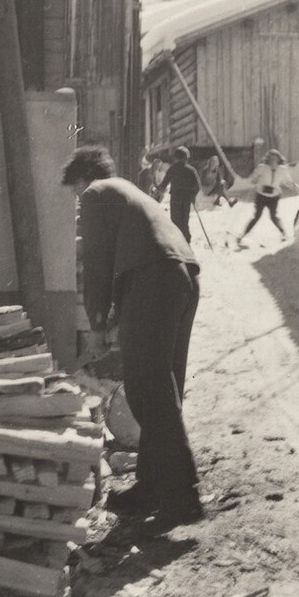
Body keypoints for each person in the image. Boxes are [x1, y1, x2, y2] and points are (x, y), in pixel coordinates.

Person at [62, 145, 203, 527]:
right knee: (161, 385)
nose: (77, 200)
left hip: (154, 278)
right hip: (183, 276)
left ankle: (182, 496)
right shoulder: (127, 191)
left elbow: (97, 262)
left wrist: (95, 324)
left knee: (148, 388)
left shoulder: (97, 194)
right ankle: (152, 486)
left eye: (75, 190)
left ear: (83, 178)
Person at [237, 148, 299, 244]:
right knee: (256, 216)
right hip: (261, 196)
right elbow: (252, 178)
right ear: (268, 159)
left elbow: (288, 181)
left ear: (279, 159)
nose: (273, 161)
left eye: (275, 159)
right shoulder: (262, 168)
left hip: (274, 196)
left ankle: (283, 234)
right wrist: (254, 180)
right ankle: (242, 235)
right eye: (271, 159)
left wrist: (294, 186)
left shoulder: (282, 169)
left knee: (273, 217)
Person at [156, 146, 201, 243]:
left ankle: (178, 243)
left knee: (176, 222)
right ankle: (187, 241)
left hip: (175, 198)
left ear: (176, 158)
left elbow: (163, 185)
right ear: (187, 158)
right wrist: (192, 195)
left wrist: (158, 189)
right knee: (185, 221)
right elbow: (197, 187)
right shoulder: (191, 170)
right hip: (186, 199)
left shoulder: (172, 169)